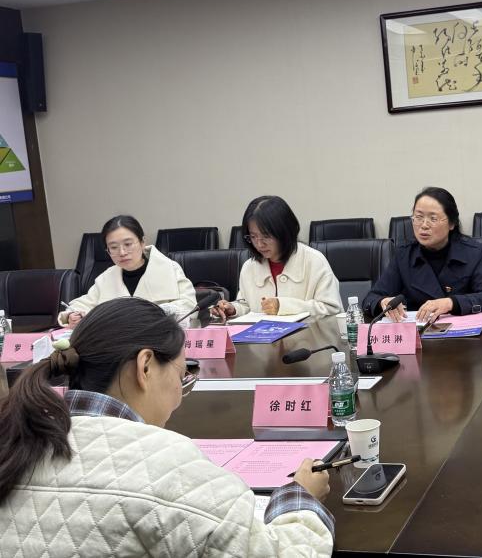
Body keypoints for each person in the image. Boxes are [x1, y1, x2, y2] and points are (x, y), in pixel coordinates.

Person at [0, 298, 334, 555]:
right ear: (145, 366)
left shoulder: (17, 439)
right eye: (181, 374)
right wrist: (301, 497)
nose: (179, 394)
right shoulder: (164, 463)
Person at [364, 187, 482, 323]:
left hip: (465, 334)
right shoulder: (404, 255)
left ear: (452, 223)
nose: (424, 225)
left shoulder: (472, 252)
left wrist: (451, 303)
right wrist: (383, 302)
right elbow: (370, 299)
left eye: (433, 218)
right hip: (419, 334)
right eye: (418, 217)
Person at [214, 196, 340, 320]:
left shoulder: (314, 261)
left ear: (284, 232)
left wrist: (284, 307)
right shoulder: (249, 267)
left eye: (266, 236)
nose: (259, 244)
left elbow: (331, 309)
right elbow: (246, 306)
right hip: (263, 334)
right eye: (253, 236)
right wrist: (233, 309)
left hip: (309, 334)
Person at [59, 215, 196, 327]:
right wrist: (73, 315)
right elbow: (83, 304)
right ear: (107, 250)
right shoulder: (107, 277)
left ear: (142, 242)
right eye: (114, 247)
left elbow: (190, 306)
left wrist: (156, 312)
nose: (122, 252)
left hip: (161, 340)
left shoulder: (169, 268)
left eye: (128, 244)